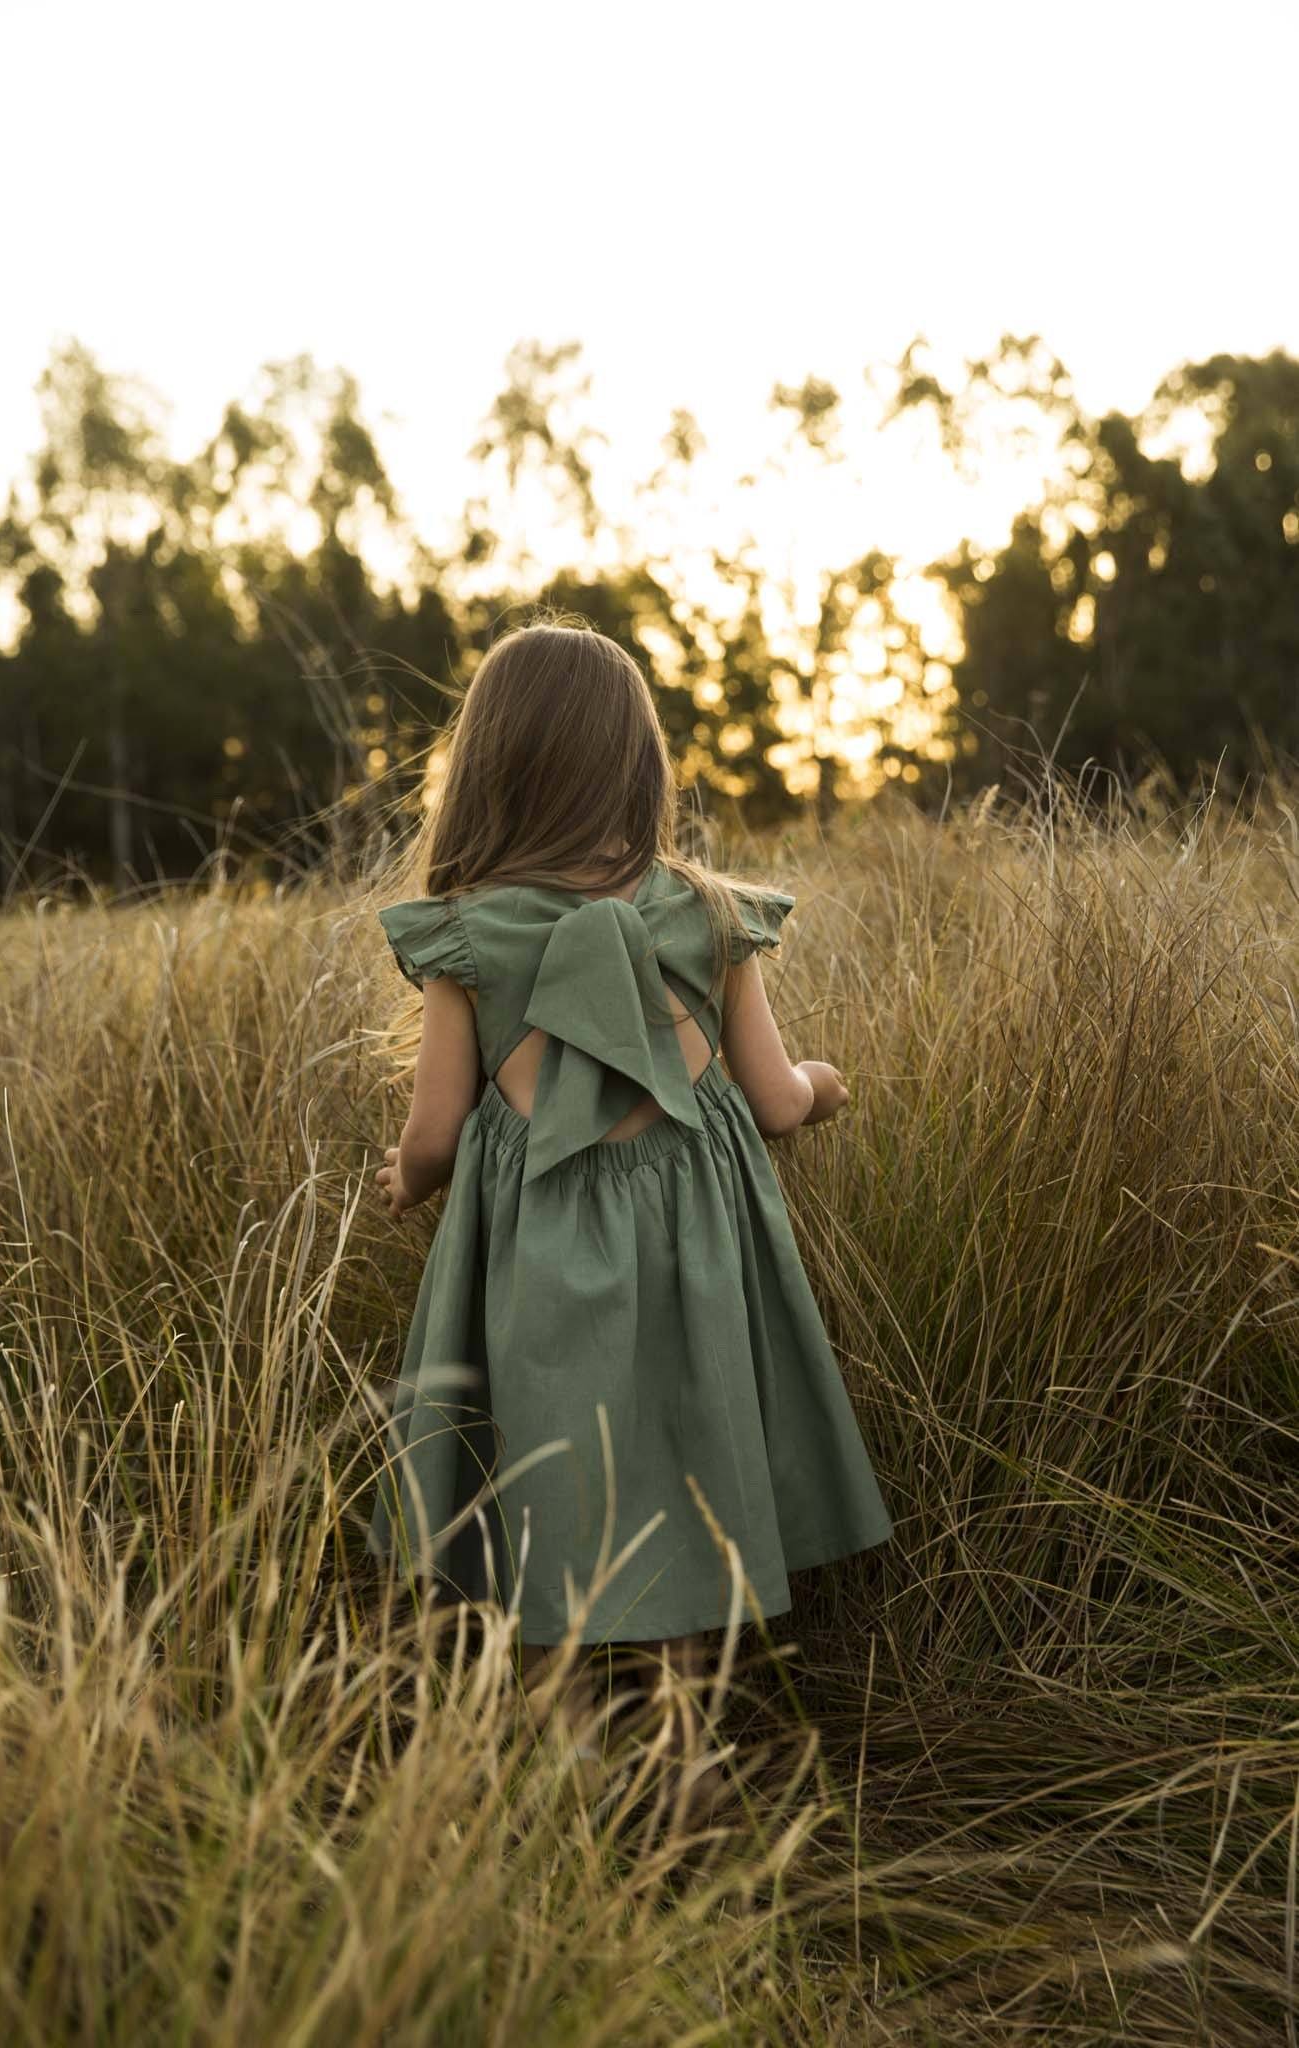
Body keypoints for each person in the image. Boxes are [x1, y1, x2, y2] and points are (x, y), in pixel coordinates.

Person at [367, 619, 893, 1812]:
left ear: (487, 775)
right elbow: (770, 1100)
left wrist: (408, 1182)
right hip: (700, 1256)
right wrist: (825, 1085)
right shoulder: (707, 912)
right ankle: (684, 1746)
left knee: (543, 1463)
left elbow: (436, 1130)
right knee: (692, 1457)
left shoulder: (466, 934)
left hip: (536, 1255)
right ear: (641, 768)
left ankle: (562, 1746)